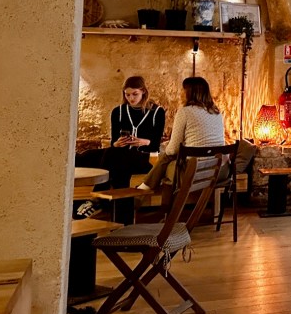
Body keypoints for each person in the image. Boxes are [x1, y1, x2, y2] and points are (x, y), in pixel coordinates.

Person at [75, 76, 165, 222]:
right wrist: (117, 143)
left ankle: (97, 199)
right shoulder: (118, 111)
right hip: (119, 154)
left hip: (144, 157)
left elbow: (155, 144)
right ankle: (81, 200)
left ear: (143, 91)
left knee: (112, 155)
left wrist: (142, 141)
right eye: (127, 94)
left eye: (135, 94)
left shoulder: (157, 112)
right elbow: (113, 143)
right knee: (86, 156)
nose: (131, 98)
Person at [143, 76, 226, 190]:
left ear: (190, 93)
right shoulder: (217, 113)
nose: (180, 93)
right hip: (219, 170)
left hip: (195, 171)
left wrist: (166, 148)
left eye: (183, 90)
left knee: (166, 157)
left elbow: (173, 149)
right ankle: (146, 185)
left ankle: (146, 186)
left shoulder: (185, 112)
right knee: (169, 158)